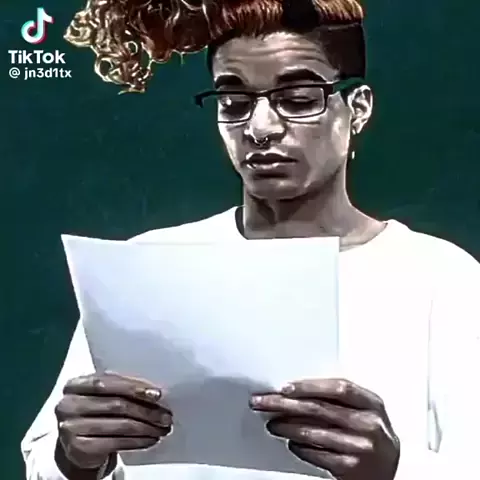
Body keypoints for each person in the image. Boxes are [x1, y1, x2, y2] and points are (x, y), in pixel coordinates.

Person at [21, 0, 479, 479]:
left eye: (298, 99)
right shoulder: (148, 266)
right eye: (234, 102)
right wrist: (75, 457)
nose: (260, 129)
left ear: (357, 108)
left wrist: (394, 467)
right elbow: (44, 461)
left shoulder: (439, 277)